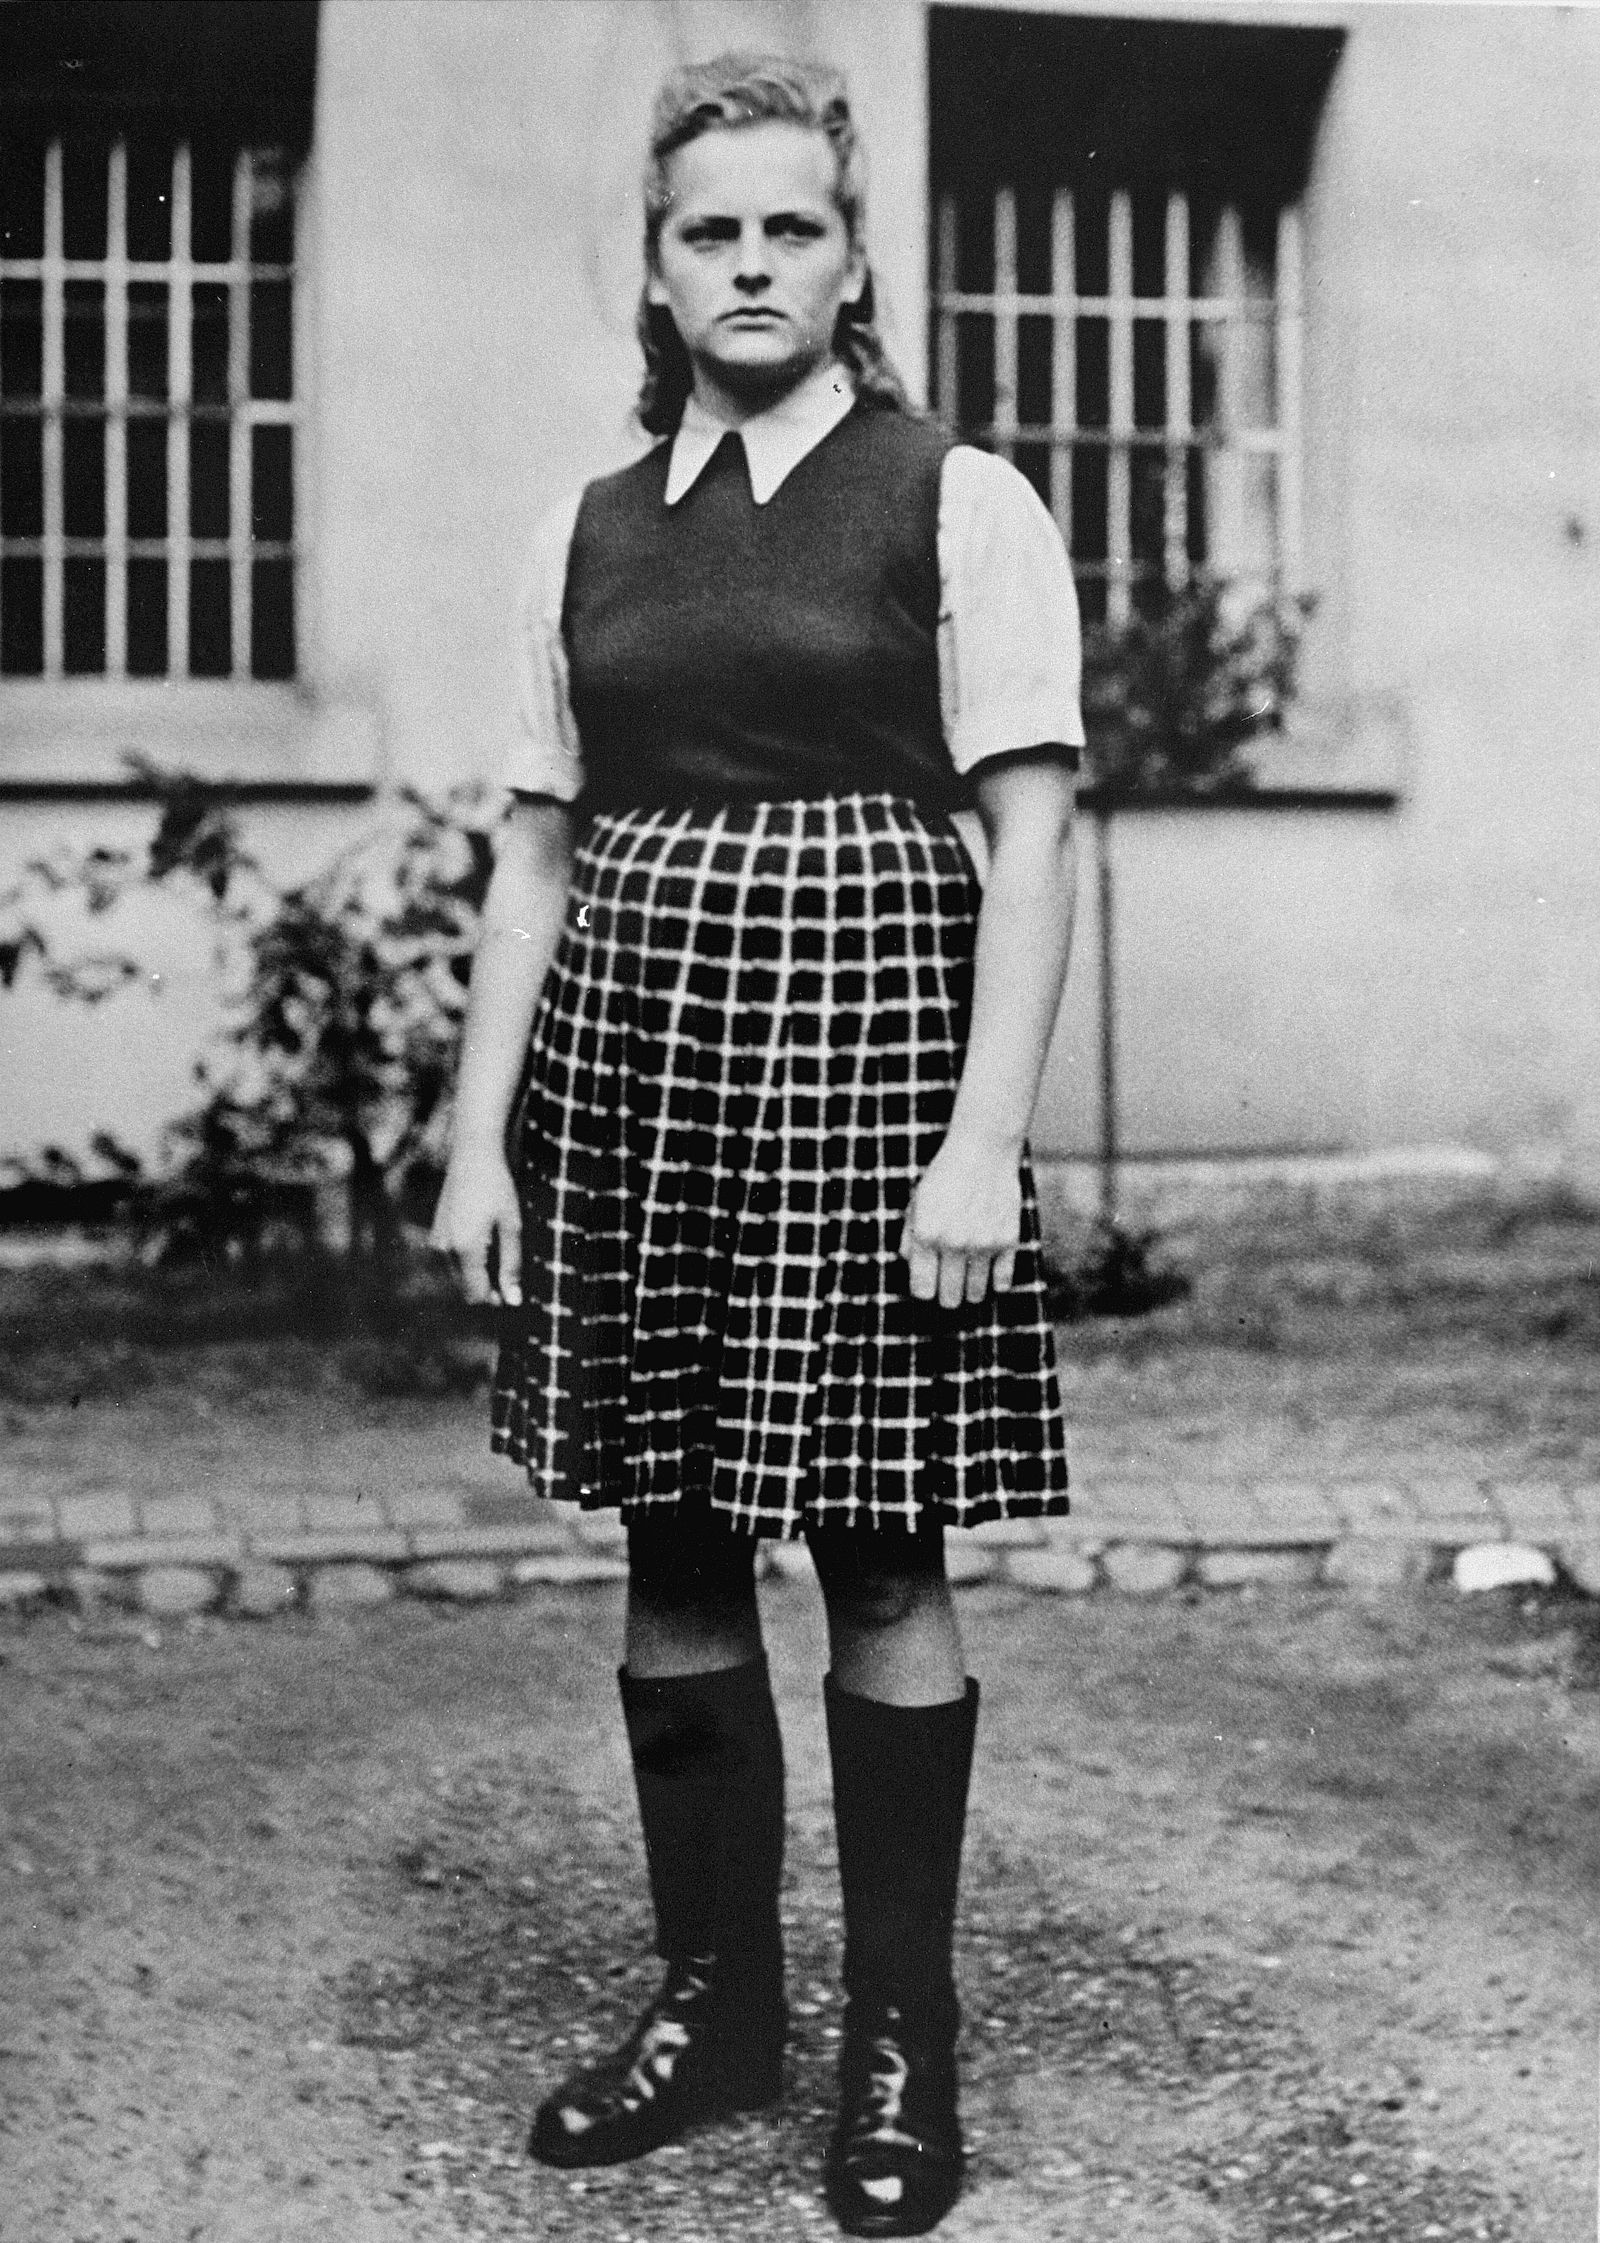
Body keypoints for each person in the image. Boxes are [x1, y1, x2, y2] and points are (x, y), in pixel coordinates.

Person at [430, 52, 1081, 2240]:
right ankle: (713, 2012)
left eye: (788, 226)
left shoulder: (951, 496)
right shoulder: (587, 525)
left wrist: (981, 1139)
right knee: (674, 1532)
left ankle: (903, 2045)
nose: (748, 264)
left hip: (876, 1059)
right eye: (709, 228)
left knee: (881, 1542)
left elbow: (1031, 836)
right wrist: (474, 1138)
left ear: (854, 253)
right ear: (651, 259)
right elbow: (533, 855)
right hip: (638, 1067)